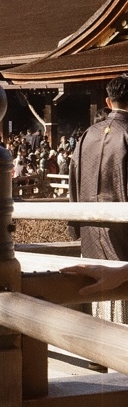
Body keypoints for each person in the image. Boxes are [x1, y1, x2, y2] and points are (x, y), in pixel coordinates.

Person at [69, 74, 128, 322]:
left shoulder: (86, 136)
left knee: (99, 303)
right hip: (124, 235)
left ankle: (99, 358)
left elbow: (73, 181)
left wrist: (76, 228)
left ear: (108, 101)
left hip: (92, 234)